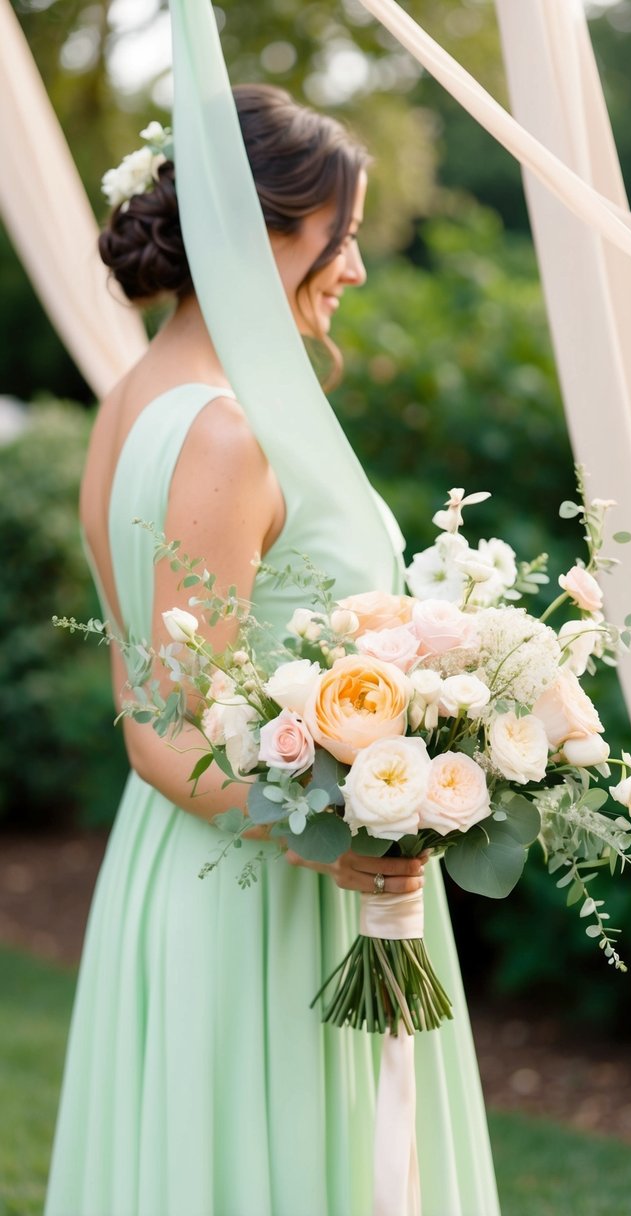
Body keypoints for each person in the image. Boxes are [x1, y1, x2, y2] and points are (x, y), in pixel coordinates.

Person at [45, 83, 500, 1216]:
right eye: (338, 238)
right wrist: (337, 833)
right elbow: (161, 728)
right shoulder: (223, 429)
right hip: (261, 891)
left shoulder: (134, 399)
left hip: (195, 865)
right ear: (263, 233)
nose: (352, 267)